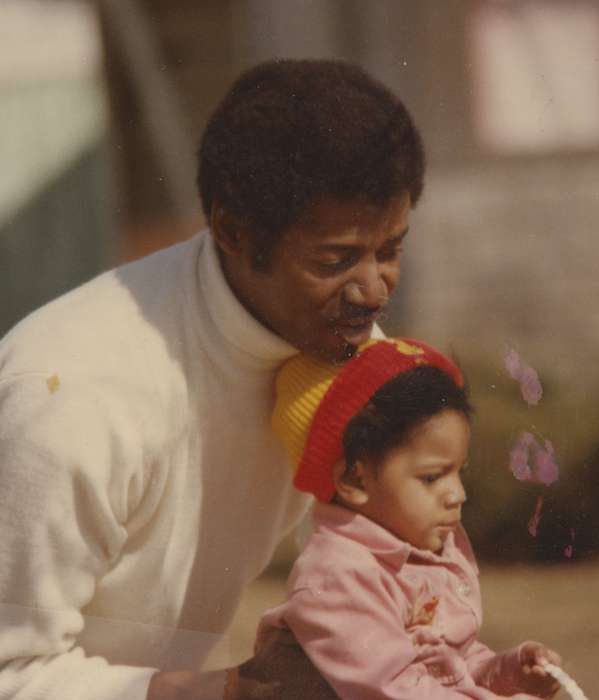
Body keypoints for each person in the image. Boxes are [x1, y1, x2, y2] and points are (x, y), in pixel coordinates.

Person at [0, 59, 424, 699]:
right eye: (335, 260)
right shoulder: (73, 392)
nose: (372, 291)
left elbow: (405, 586)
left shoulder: (350, 359)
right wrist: (235, 691)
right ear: (232, 231)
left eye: (390, 251)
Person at [263, 337, 563, 699]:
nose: (458, 495)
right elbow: (396, 690)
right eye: (432, 478)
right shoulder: (338, 578)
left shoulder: (423, 556)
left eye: (459, 473)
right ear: (354, 480)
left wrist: (510, 674)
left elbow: (450, 666)